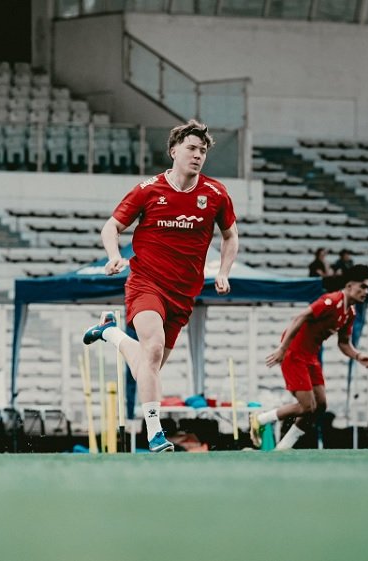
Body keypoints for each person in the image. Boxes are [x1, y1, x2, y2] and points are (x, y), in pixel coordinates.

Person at [82, 119, 239, 453]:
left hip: (184, 294)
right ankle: (154, 433)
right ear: (174, 151)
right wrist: (112, 255)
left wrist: (223, 272)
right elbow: (111, 227)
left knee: (146, 367)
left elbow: (230, 236)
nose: (198, 155)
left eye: (203, 150)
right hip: (146, 282)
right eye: (192, 148)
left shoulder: (215, 194)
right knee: (151, 351)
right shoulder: (148, 189)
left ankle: (109, 332)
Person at [251, 265, 368, 450]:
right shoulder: (331, 301)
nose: (366, 291)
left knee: (321, 406)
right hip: (294, 353)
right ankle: (260, 420)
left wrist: (358, 355)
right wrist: (283, 349)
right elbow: (300, 317)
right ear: (349, 286)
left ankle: (283, 447)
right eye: (363, 287)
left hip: (310, 357)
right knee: (308, 407)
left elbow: (343, 343)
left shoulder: (350, 313)